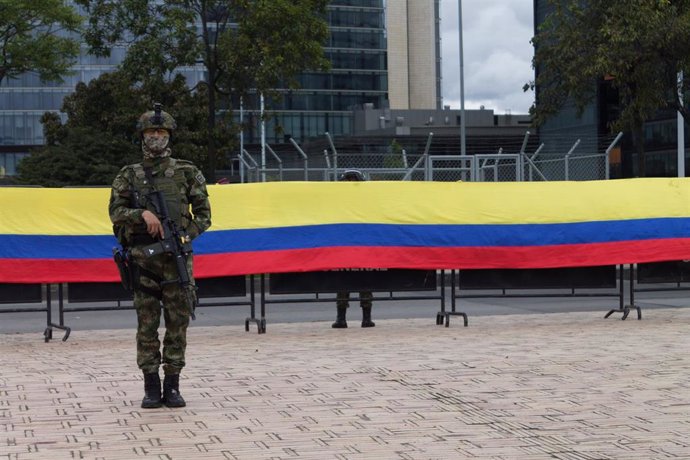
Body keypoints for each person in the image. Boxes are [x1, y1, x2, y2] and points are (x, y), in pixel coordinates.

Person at [109, 104, 211, 409]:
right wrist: (142, 214)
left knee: (178, 325)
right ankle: (151, 387)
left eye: (161, 131)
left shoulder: (187, 171)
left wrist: (182, 237)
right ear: (142, 136)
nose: (156, 136)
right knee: (147, 326)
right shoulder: (129, 175)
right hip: (144, 263)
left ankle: (173, 385)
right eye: (151, 131)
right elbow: (115, 213)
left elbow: (204, 216)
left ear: (169, 136)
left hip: (176, 262)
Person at [332, 169, 375, 329]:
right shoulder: (366, 203)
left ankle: (345, 318)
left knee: (349, 282)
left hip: (348, 247)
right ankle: (359, 318)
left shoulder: (339, 204)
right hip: (360, 247)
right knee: (360, 282)